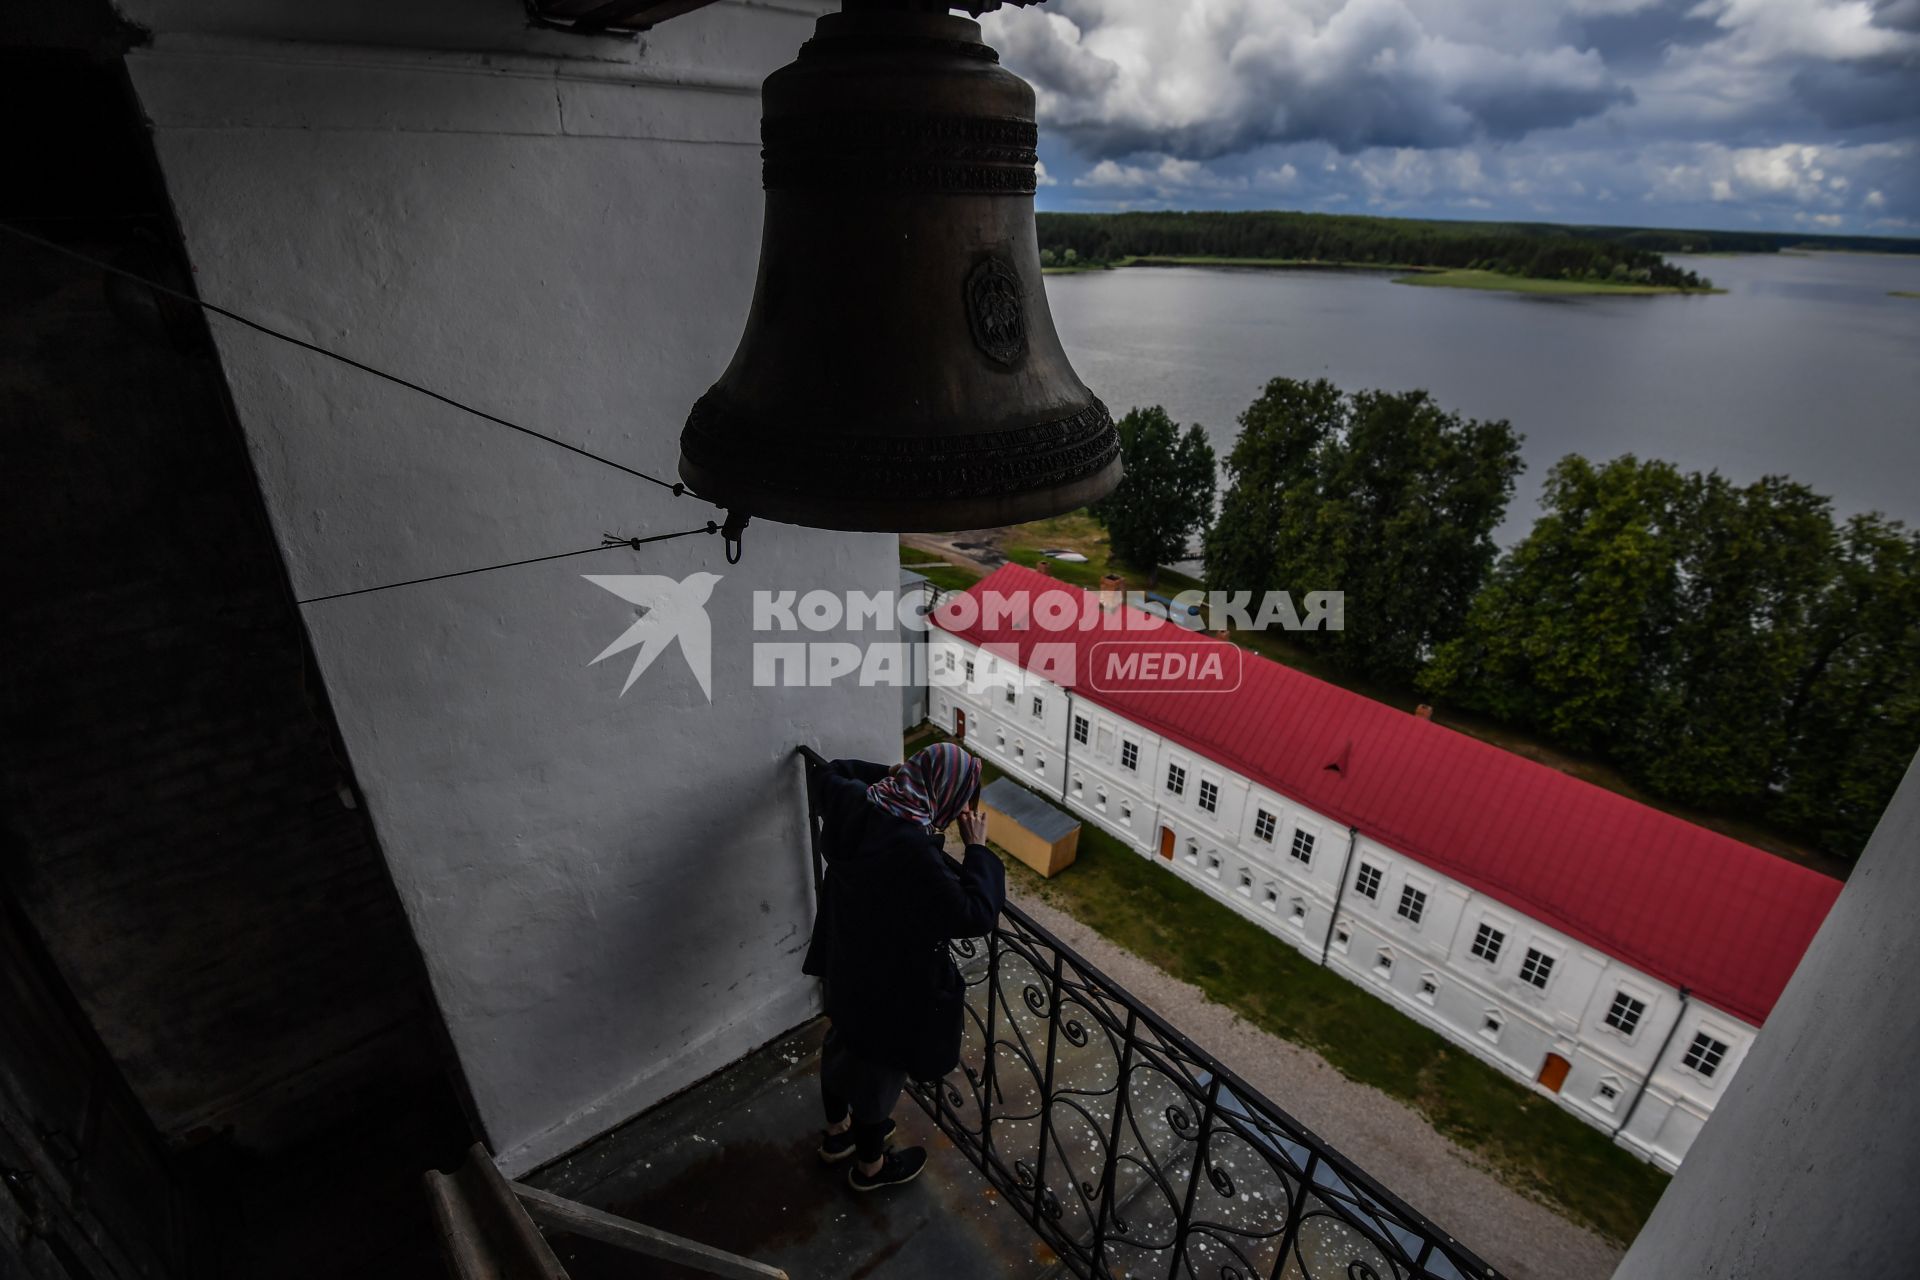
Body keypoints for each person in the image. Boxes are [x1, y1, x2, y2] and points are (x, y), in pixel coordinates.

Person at [801, 743, 1006, 1191]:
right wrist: (977, 852)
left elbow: (830, 770)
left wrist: (895, 774)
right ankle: (870, 1168)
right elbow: (973, 915)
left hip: (844, 959)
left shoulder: (856, 802)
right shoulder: (912, 850)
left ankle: (837, 1135)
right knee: (877, 1073)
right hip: (887, 986)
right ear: (944, 793)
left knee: (841, 1041)